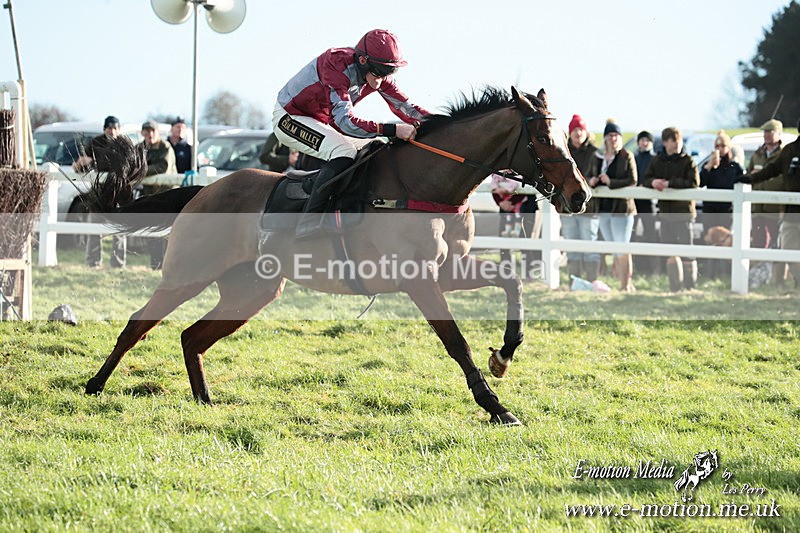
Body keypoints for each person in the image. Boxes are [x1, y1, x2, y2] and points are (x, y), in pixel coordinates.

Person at [273, 29, 431, 239]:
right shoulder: (335, 65)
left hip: (321, 120)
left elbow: (407, 108)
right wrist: (392, 130)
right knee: (343, 151)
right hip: (290, 117)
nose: (381, 81)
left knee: (375, 148)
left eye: (389, 72)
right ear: (363, 60)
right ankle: (308, 223)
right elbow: (345, 122)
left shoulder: (377, 70)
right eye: (379, 72)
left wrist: (442, 125)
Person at [738, 118, 800, 290]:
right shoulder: (790, 151)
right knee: (787, 250)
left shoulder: (785, 149)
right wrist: (749, 178)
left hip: (780, 209)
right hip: (790, 212)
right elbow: (771, 170)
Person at [642, 127, 700, 291]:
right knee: (669, 251)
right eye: (673, 141)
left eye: (678, 140)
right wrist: (653, 182)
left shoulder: (688, 160)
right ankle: (674, 287)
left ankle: (690, 286)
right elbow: (646, 178)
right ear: (666, 142)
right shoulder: (658, 161)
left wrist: (670, 184)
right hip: (665, 214)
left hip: (684, 213)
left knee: (687, 251)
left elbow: (693, 182)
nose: (676, 144)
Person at [72, 115, 126, 268]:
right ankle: (93, 262)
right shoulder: (96, 142)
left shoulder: (124, 144)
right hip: (99, 192)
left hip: (117, 191)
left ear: (119, 129)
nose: (112, 131)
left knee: (119, 230)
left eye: (115, 127)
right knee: (94, 227)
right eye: (109, 127)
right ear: (104, 129)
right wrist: (79, 165)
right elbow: (83, 164)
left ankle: (118, 263)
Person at [593, 120, 637, 292]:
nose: (614, 139)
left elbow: (632, 180)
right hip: (604, 207)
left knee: (622, 247)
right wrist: (594, 180)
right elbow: (590, 173)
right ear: (605, 138)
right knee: (613, 247)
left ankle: (625, 284)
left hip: (622, 209)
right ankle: (623, 283)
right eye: (610, 135)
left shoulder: (627, 156)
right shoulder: (599, 156)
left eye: (616, 136)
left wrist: (611, 182)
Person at [699, 129, 743, 279]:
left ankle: (725, 274)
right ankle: (710, 274)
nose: (720, 150)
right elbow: (700, 182)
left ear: (728, 147)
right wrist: (709, 167)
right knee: (711, 242)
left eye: (722, 146)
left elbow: (741, 182)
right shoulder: (709, 165)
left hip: (727, 210)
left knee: (726, 242)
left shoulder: (735, 167)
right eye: (717, 146)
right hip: (710, 209)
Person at [562, 114, 600, 282]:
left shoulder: (595, 152)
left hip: (588, 207)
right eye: (575, 129)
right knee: (571, 244)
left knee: (589, 243)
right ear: (570, 132)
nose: (578, 133)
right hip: (568, 206)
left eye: (581, 129)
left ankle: (592, 281)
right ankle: (574, 281)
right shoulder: (564, 151)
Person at [138, 120, 177, 269]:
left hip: (168, 195)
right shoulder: (140, 148)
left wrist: (141, 171)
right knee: (152, 230)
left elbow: (162, 167)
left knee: (167, 233)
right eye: (146, 132)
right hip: (151, 196)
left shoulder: (165, 147)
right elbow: (133, 164)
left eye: (152, 131)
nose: (150, 134)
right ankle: (155, 264)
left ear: (158, 132)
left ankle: (168, 265)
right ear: (142, 133)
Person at [632, 130, 659, 274]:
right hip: (635, 201)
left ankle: (654, 269)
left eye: (647, 140)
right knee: (632, 234)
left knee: (651, 235)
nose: (644, 142)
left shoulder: (655, 159)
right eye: (642, 140)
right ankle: (635, 267)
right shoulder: (634, 158)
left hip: (649, 202)